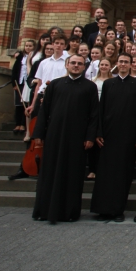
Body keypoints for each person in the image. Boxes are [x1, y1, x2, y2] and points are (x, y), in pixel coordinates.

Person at [31, 55, 99, 224]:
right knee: (50, 172)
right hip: (54, 135)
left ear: (84, 67)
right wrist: (39, 134)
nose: (76, 66)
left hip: (77, 137)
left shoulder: (89, 87)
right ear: (67, 65)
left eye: (80, 64)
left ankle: (69, 211)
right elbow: (44, 111)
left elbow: (93, 115)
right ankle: (44, 210)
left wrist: (90, 136)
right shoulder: (55, 84)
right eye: (73, 63)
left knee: (73, 173)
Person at [89, 53, 136, 222]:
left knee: (122, 175)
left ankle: (118, 210)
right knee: (105, 174)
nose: (123, 64)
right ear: (117, 64)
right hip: (108, 135)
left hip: (128, 136)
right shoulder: (108, 83)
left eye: (127, 62)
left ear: (131, 65)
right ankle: (102, 209)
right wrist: (98, 132)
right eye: (121, 62)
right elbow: (101, 109)